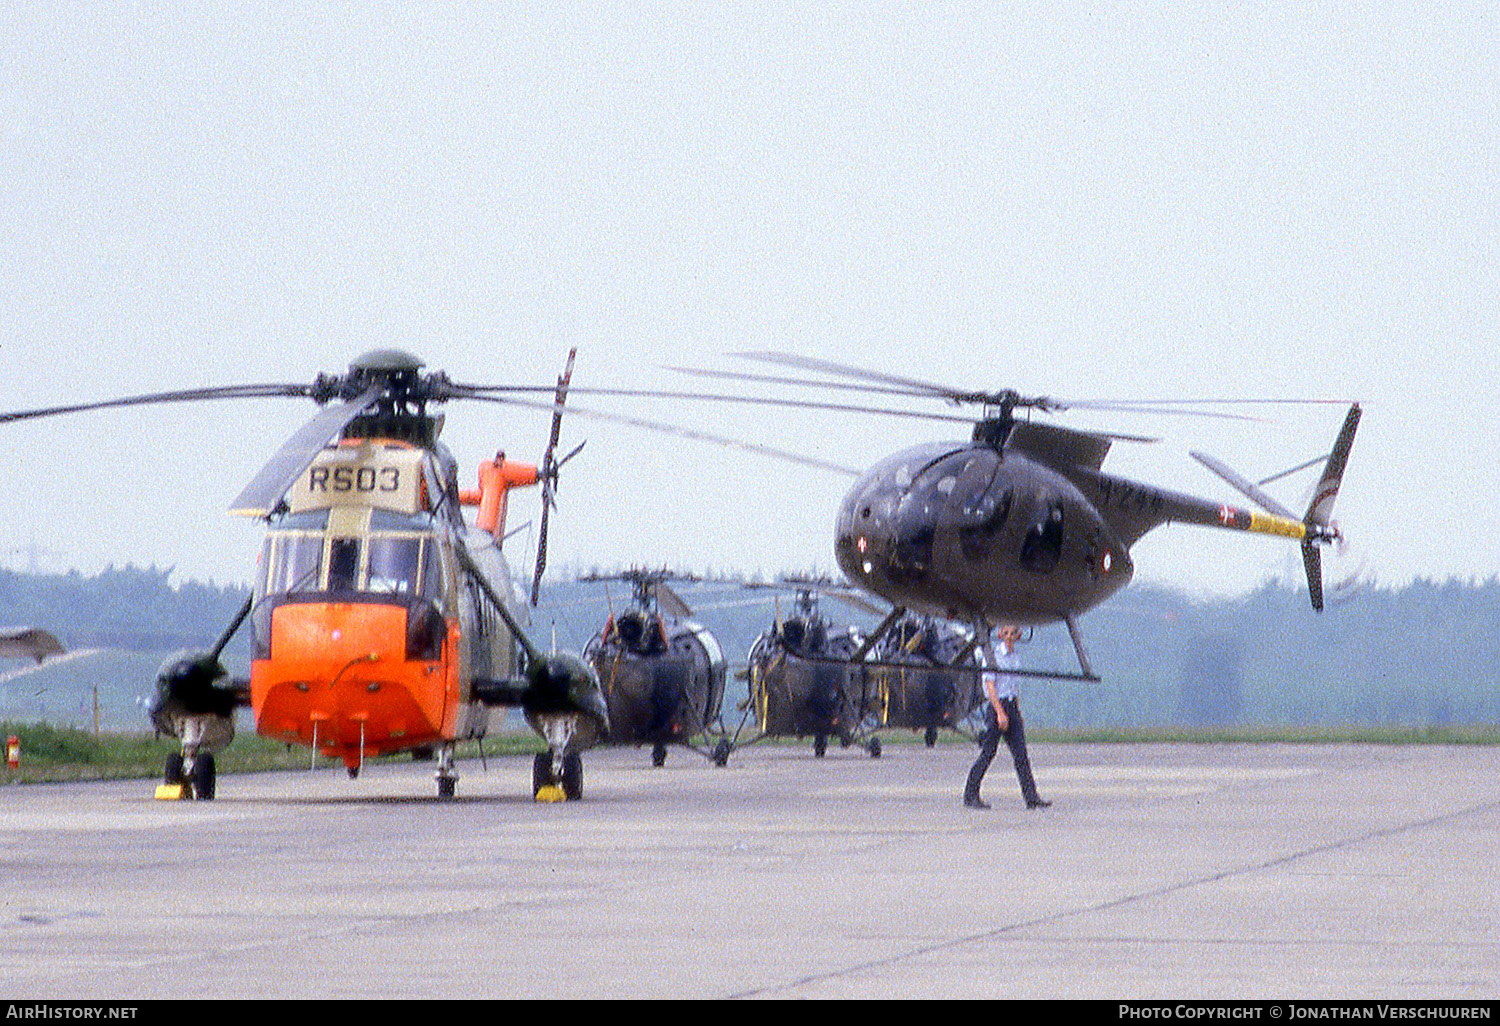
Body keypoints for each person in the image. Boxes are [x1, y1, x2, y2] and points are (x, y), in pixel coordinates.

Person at [963, 625, 1050, 810]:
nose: (1009, 637)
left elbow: (1013, 687)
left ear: (1018, 636)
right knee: (988, 752)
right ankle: (970, 794)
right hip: (997, 706)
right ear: (1000, 634)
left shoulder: (1015, 658)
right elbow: (990, 686)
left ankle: (1031, 797)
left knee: (1021, 755)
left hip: (1011, 706)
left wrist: (1017, 711)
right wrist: (1000, 713)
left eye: (1013, 634)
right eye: (1006, 633)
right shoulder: (993, 656)